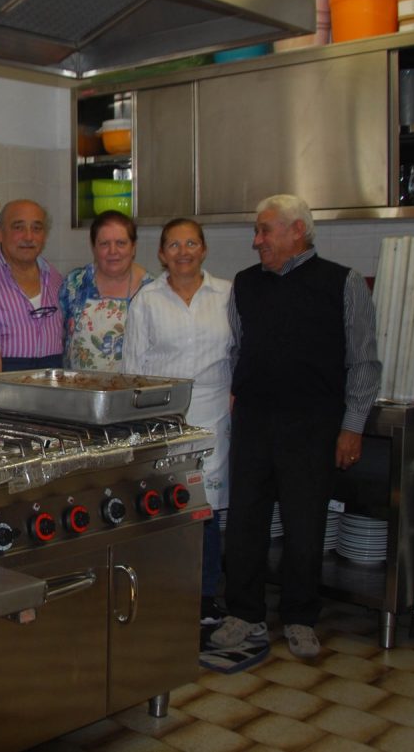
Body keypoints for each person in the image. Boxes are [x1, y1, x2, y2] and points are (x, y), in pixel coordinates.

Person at [209, 194, 381, 660]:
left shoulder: (342, 283)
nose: (256, 240)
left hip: (313, 424)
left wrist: (352, 426)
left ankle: (301, 619)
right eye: (258, 231)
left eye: (265, 231)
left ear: (296, 231)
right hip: (254, 420)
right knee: (245, 520)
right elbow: (237, 350)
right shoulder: (246, 284)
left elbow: (364, 362)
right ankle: (243, 613)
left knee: (306, 525)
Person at [123, 218, 233, 625]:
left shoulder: (227, 295)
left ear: (203, 249)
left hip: (213, 412)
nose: (183, 251)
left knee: (206, 509)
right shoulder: (147, 300)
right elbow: (132, 370)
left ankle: (205, 596)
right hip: (161, 418)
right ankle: (164, 590)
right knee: (165, 507)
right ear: (161, 254)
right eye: (173, 245)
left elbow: (241, 353)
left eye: (191, 243)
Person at [0, 199, 64, 371]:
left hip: (51, 389)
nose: (28, 236)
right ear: (0, 234)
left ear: (45, 236)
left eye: (37, 228)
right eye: (18, 227)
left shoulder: (56, 279)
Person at [61, 210, 152, 371]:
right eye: (104, 244)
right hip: (78, 391)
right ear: (94, 247)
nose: (113, 251)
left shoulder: (151, 291)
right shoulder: (75, 284)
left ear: (133, 248)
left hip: (132, 393)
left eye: (121, 243)